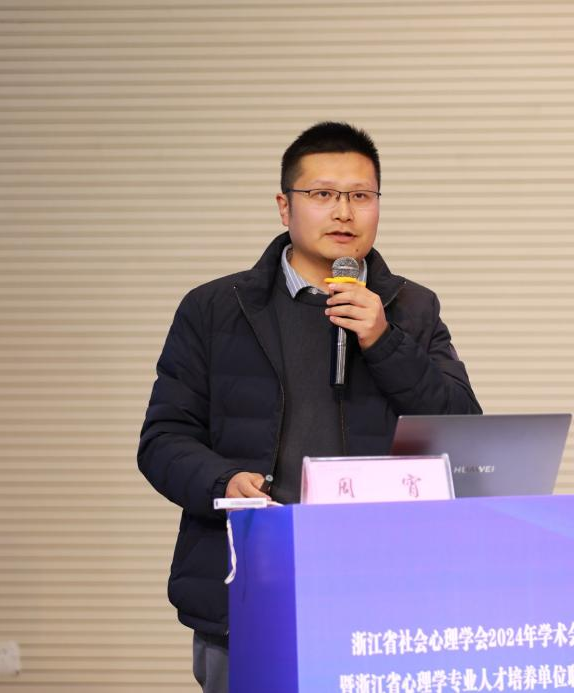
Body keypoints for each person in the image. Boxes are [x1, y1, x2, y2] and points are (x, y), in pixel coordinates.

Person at [137, 121, 481, 693]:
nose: (344, 212)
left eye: (361, 195)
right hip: (253, 584)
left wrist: (383, 340)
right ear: (284, 206)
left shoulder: (411, 309)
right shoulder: (215, 309)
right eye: (323, 194)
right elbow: (163, 440)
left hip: (383, 590)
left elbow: (463, 430)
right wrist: (224, 481)